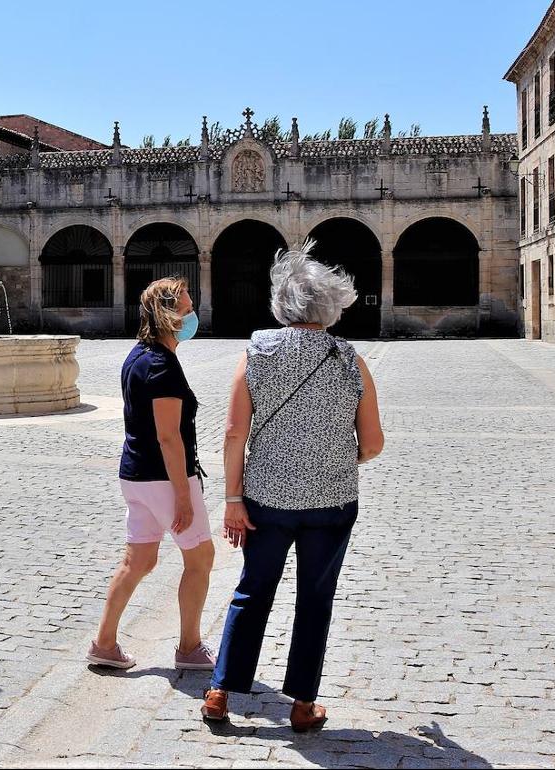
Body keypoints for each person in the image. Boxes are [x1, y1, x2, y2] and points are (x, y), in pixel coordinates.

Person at [201, 242, 384, 730]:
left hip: (265, 501)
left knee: (252, 590)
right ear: (333, 305)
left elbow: (234, 433)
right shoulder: (351, 362)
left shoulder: (256, 352)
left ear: (282, 304)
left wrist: (233, 500)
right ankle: (303, 704)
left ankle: (220, 691)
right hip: (332, 501)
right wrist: (349, 457)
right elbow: (373, 442)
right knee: (315, 598)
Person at [87, 277, 216, 671]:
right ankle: (190, 647)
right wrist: (183, 495)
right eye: (189, 307)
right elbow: (168, 436)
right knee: (201, 558)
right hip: (164, 478)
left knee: (139, 560)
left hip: (135, 475)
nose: (194, 313)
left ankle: (104, 643)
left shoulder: (137, 356)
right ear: (171, 315)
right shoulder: (162, 365)